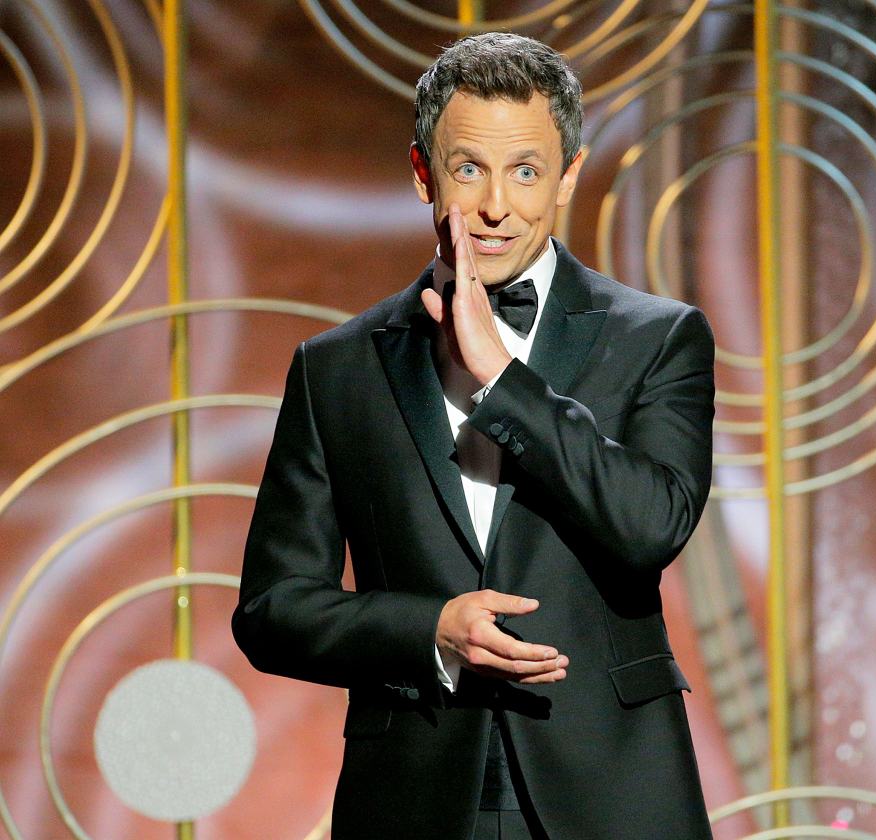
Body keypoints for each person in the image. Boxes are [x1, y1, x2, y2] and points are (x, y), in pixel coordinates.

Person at [233, 32, 715, 840]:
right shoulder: (338, 368)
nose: (497, 206)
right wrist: (430, 630)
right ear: (423, 172)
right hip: (414, 791)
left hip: (612, 793)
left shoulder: (657, 338)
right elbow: (274, 609)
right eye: (469, 169)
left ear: (567, 176)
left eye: (526, 171)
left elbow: (652, 526)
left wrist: (503, 381)